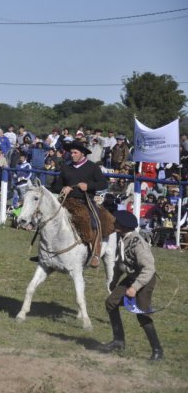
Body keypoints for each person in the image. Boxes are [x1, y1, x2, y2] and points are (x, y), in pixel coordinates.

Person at [99, 210, 163, 361]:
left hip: (145, 280)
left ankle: (157, 350)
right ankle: (118, 341)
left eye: (116, 222)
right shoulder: (122, 238)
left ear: (123, 226)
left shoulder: (137, 243)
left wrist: (135, 287)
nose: (114, 223)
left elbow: (149, 268)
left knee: (142, 314)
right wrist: (114, 280)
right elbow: (119, 263)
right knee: (111, 303)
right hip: (131, 277)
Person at [53, 140, 114, 267]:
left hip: (86, 201)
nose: (72, 155)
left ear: (82, 154)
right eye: (71, 153)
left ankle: (96, 254)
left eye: (75, 152)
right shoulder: (66, 167)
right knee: (51, 219)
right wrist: (63, 188)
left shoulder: (92, 167)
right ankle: (49, 252)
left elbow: (103, 184)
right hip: (67, 201)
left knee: (94, 222)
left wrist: (89, 185)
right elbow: (56, 185)